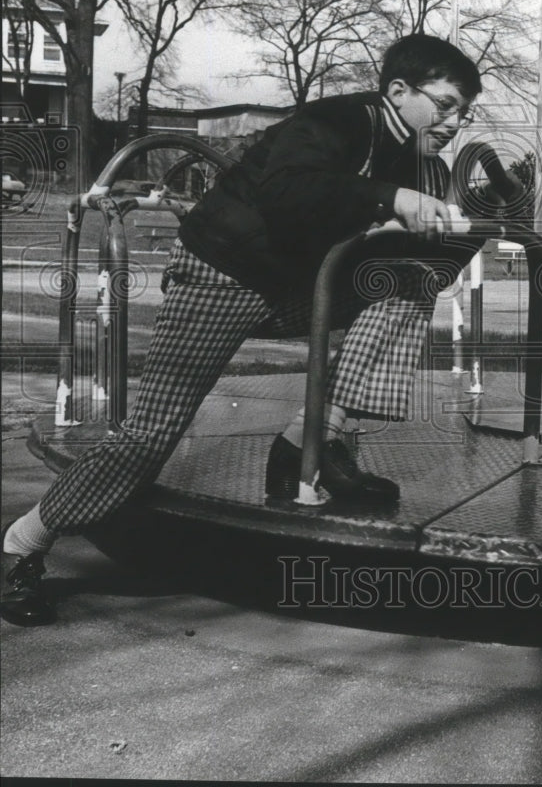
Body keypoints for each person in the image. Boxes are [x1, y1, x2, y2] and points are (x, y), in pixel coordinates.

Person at [2, 34, 484, 627]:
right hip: (220, 276)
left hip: (291, 287)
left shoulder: (421, 163)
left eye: (464, 112)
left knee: (410, 281)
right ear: (399, 91)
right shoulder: (334, 120)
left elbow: (396, 244)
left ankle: (306, 441)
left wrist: (462, 227)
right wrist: (392, 198)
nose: (454, 122)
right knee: (149, 437)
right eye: (445, 105)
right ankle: (21, 545)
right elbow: (286, 190)